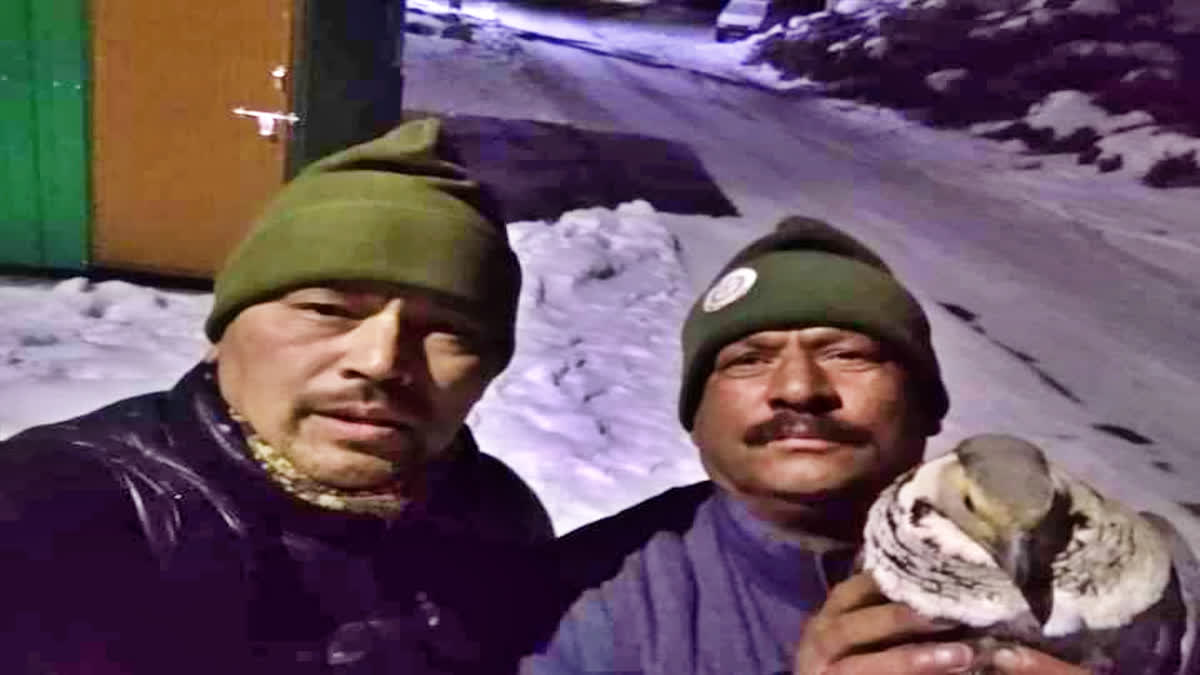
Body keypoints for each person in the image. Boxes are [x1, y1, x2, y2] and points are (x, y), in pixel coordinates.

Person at [0, 118, 556, 674]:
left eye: (448, 330)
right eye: (327, 310)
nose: (380, 361)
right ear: (220, 336)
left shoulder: (497, 519)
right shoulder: (60, 510)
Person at [523, 216, 1105, 675]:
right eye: (748, 360)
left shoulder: (1098, 569)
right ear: (695, 419)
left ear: (927, 403)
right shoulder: (578, 603)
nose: (799, 389)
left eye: (846, 353)